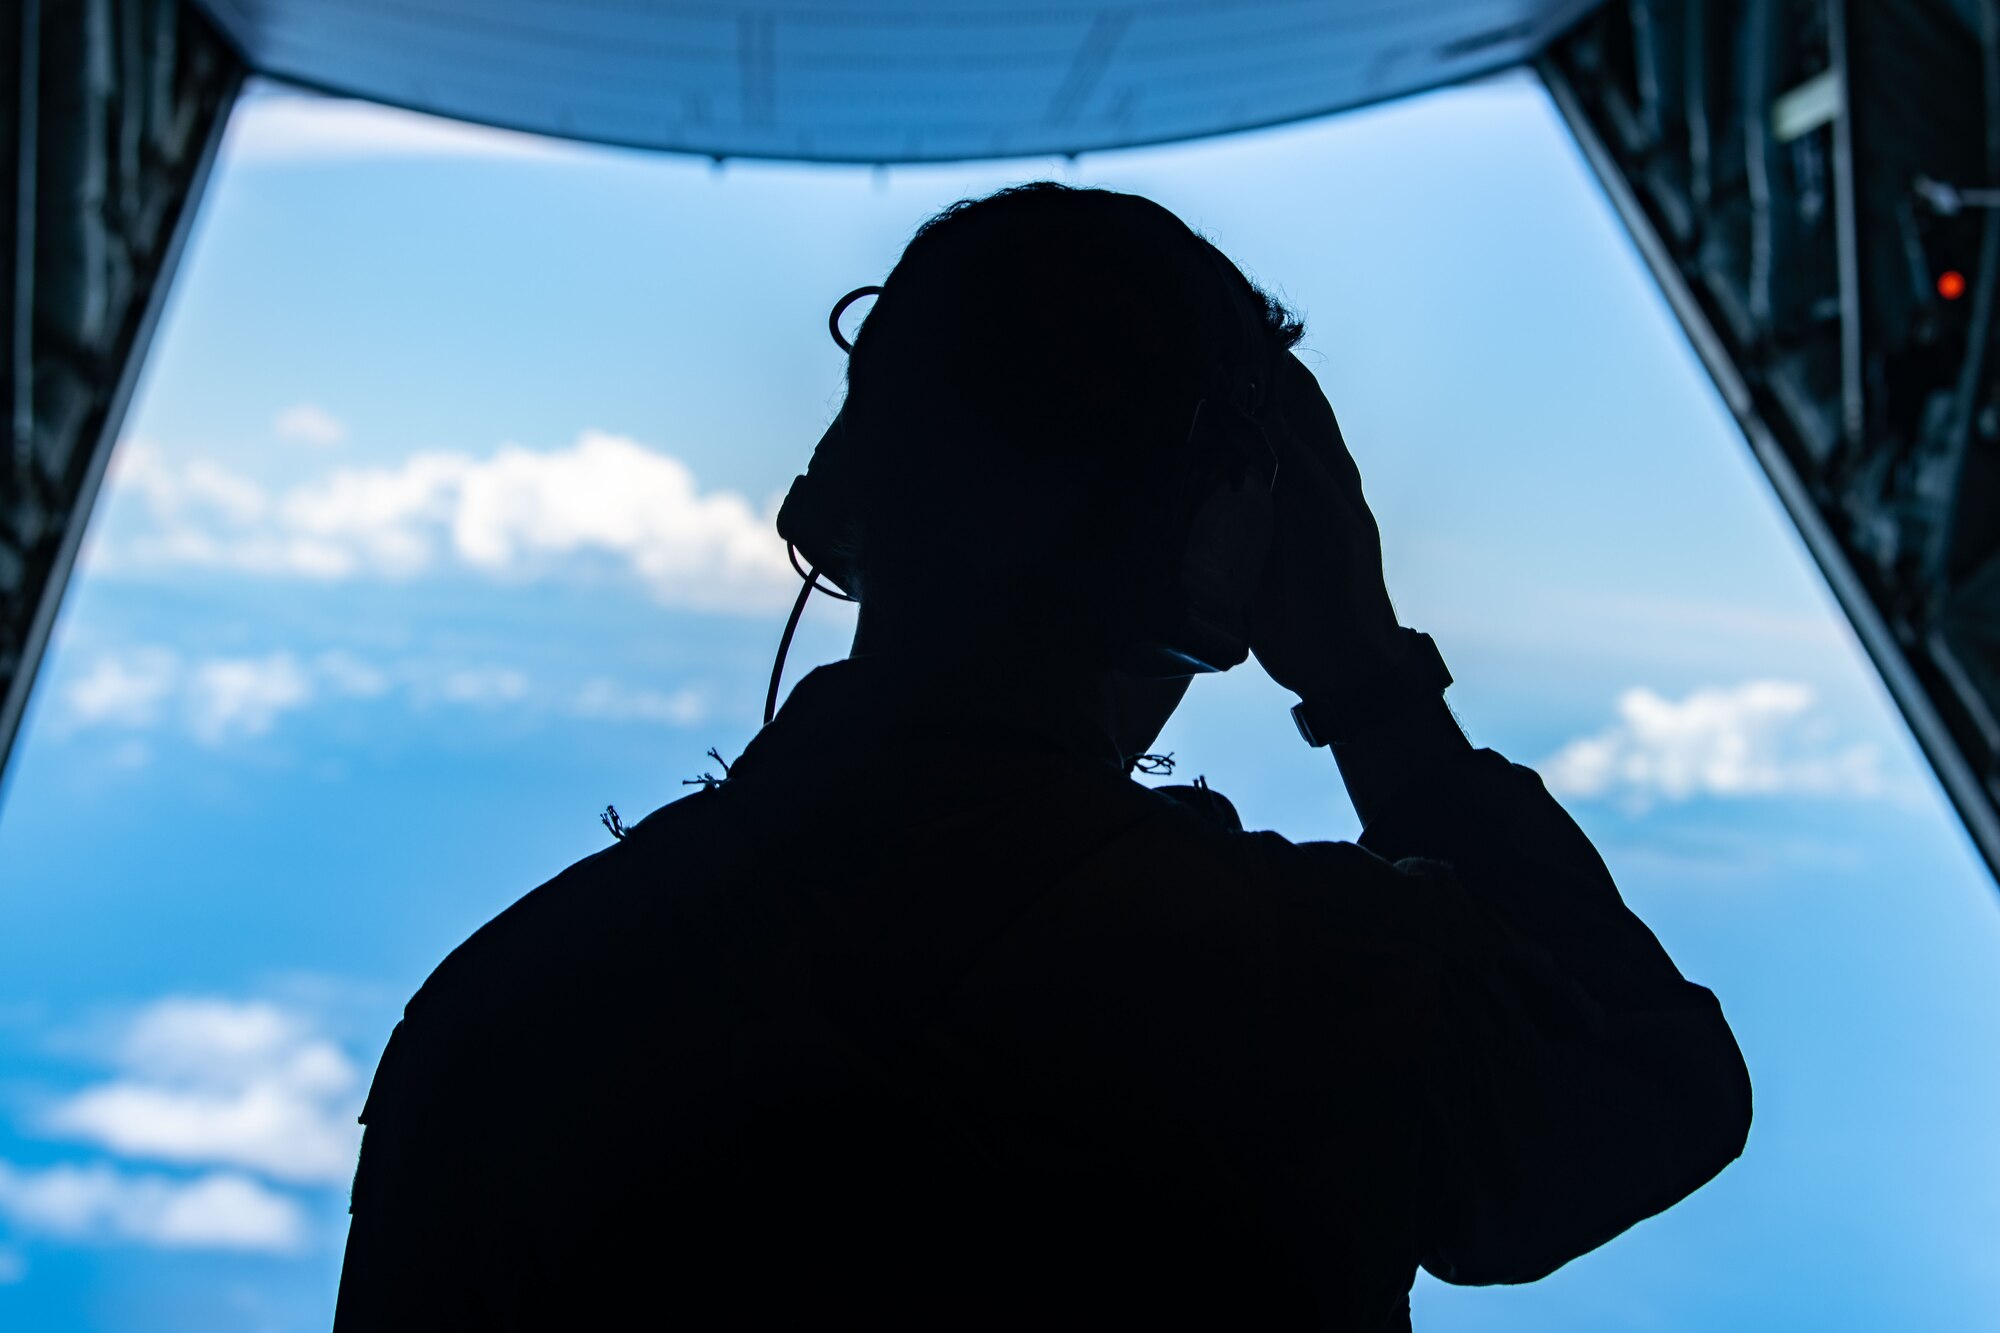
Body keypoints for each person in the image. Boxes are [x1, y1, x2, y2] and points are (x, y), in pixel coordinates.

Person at [334, 183, 1750, 1331]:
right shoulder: (1320, 987)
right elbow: (1660, 1088)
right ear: (1228, 543)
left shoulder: (503, 1026)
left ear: (848, 496)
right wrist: (1372, 680)